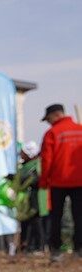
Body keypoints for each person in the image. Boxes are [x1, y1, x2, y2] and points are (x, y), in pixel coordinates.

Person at [39, 103, 82, 262]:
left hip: (58, 182)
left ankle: (56, 250)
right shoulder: (80, 129)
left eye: (48, 119)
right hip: (80, 181)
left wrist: (44, 182)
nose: (48, 122)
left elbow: (46, 160)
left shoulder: (52, 133)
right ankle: (80, 249)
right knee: (79, 216)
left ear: (56, 115)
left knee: (55, 217)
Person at [16, 142, 47, 253]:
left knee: (36, 222)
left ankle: (39, 246)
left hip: (35, 198)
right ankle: (26, 246)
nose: (21, 154)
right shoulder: (24, 166)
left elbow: (36, 179)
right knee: (26, 223)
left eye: (23, 153)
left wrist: (26, 180)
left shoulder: (36, 165)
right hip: (26, 200)